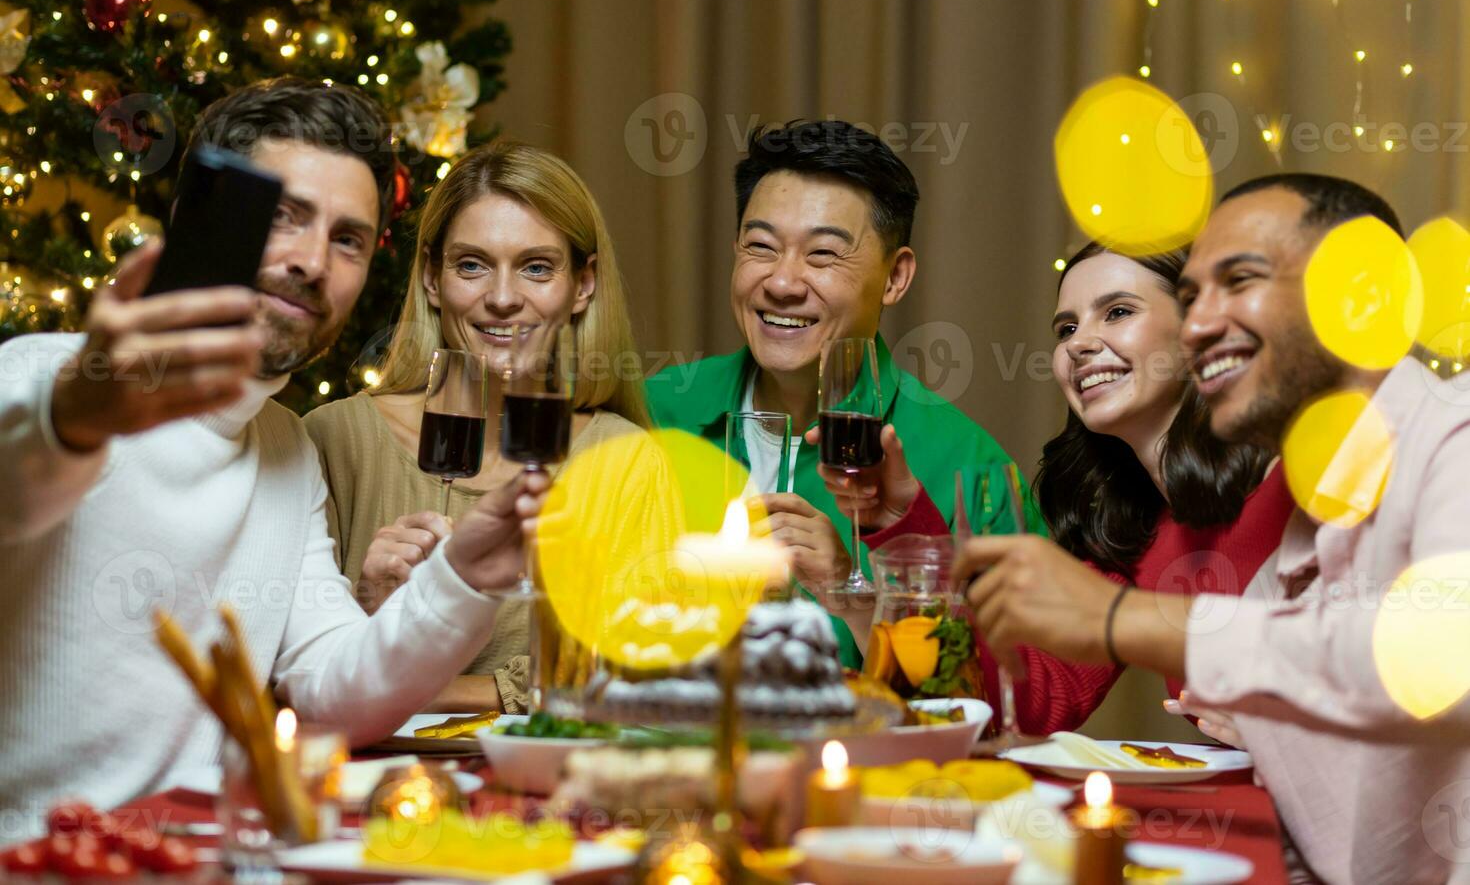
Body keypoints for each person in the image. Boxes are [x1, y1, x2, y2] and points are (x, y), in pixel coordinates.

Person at [0, 79, 544, 844]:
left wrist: (465, 579)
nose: (312, 261)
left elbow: (332, 691)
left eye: (347, 238)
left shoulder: (285, 447)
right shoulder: (37, 377)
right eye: (283, 218)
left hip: (205, 857)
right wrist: (74, 420)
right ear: (201, 219)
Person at [956, 173, 1470, 882]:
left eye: (1241, 279)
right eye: (1193, 296)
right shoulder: (1306, 533)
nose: (1198, 324)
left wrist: (1125, 619)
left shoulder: (1454, 434)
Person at [829, 241, 1293, 733]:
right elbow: (1027, 705)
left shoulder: (1299, 482)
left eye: (1117, 312)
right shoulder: (1129, 534)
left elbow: (1372, 672)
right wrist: (900, 518)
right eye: (1066, 328)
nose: (1078, 343)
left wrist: (1283, 733)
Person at [644, 119, 1042, 668]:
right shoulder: (650, 415)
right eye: (761, 246)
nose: (783, 283)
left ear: (896, 278)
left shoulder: (970, 470)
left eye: (824, 254)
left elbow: (1011, 695)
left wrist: (849, 591)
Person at [303, 139, 655, 714]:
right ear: (433, 279)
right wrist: (370, 607)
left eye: (536, 268)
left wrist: (446, 692)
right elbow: (288, 666)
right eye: (472, 264)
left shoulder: (625, 458)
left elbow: (630, 673)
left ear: (583, 286)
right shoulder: (333, 441)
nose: (501, 298)